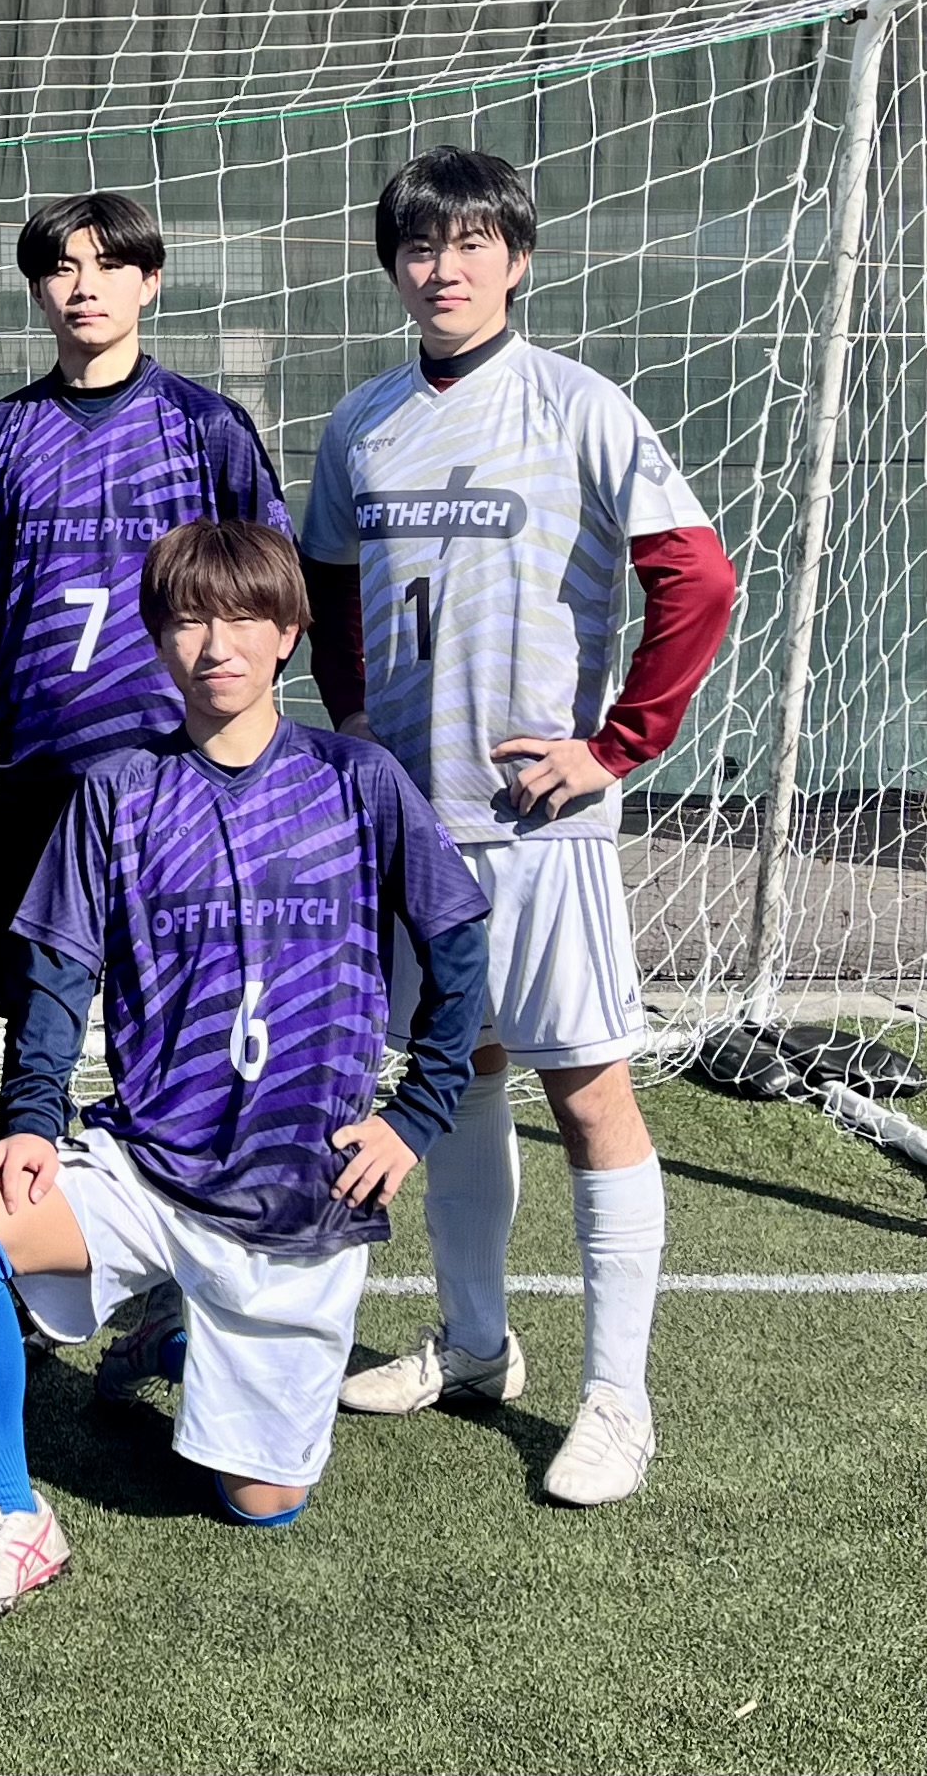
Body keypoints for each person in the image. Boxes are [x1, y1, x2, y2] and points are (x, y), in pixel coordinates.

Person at [0, 520, 489, 1626]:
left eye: (242, 617)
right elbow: (58, 975)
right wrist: (29, 1118)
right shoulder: (118, 788)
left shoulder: (357, 778)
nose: (215, 644)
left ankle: (173, 1332)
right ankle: (15, 1514)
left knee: (259, 1503)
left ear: (288, 632)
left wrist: (416, 1112)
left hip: (299, 1190)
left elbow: (458, 938)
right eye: (187, 619)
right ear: (157, 636)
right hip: (151, 1162)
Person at [303, 147, 735, 1506]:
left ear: (518, 257)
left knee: (586, 1088)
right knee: (461, 1071)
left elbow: (697, 579)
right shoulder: (361, 423)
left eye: (471, 242)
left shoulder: (577, 405)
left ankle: (617, 1398)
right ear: (393, 265)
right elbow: (326, 585)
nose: (444, 268)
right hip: (419, 827)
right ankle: (476, 1343)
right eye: (420, 246)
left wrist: (615, 744)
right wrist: (355, 724)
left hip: (540, 827)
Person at [0, 190, 291, 1393]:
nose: (83, 284)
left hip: (178, 783)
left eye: (108, 263)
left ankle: (183, 1292)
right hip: (42, 775)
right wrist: (57, 685)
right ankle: (29, 1268)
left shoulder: (206, 426)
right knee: (35, 1022)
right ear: (37, 289)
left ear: (150, 281)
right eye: (61, 266)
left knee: (180, 1025)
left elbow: (263, 576)